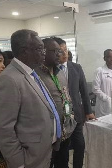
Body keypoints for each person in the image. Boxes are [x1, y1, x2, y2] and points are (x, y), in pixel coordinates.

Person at [0, 29, 61, 168]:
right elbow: (3, 128)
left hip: (44, 151)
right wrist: (18, 162)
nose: (44, 52)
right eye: (40, 48)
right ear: (24, 51)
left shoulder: (32, 72)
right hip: (29, 158)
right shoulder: (9, 79)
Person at [52, 37, 95, 168]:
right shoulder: (51, 70)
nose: (65, 54)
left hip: (76, 115)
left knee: (80, 145)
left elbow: (83, 90)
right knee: (63, 149)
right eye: (61, 51)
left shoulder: (76, 67)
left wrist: (88, 111)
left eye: (66, 50)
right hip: (60, 118)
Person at [35, 38, 76, 168]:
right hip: (48, 135)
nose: (61, 54)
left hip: (65, 132)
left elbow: (66, 96)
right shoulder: (35, 75)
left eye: (61, 51)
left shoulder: (60, 73)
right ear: (44, 52)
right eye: (56, 51)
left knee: (63, 163)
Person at [92, 49, 112, 118]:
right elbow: (95, 89)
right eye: (109, 57)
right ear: (104, 58)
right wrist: (107, 99)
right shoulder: (99, 71)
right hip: (104, 105)